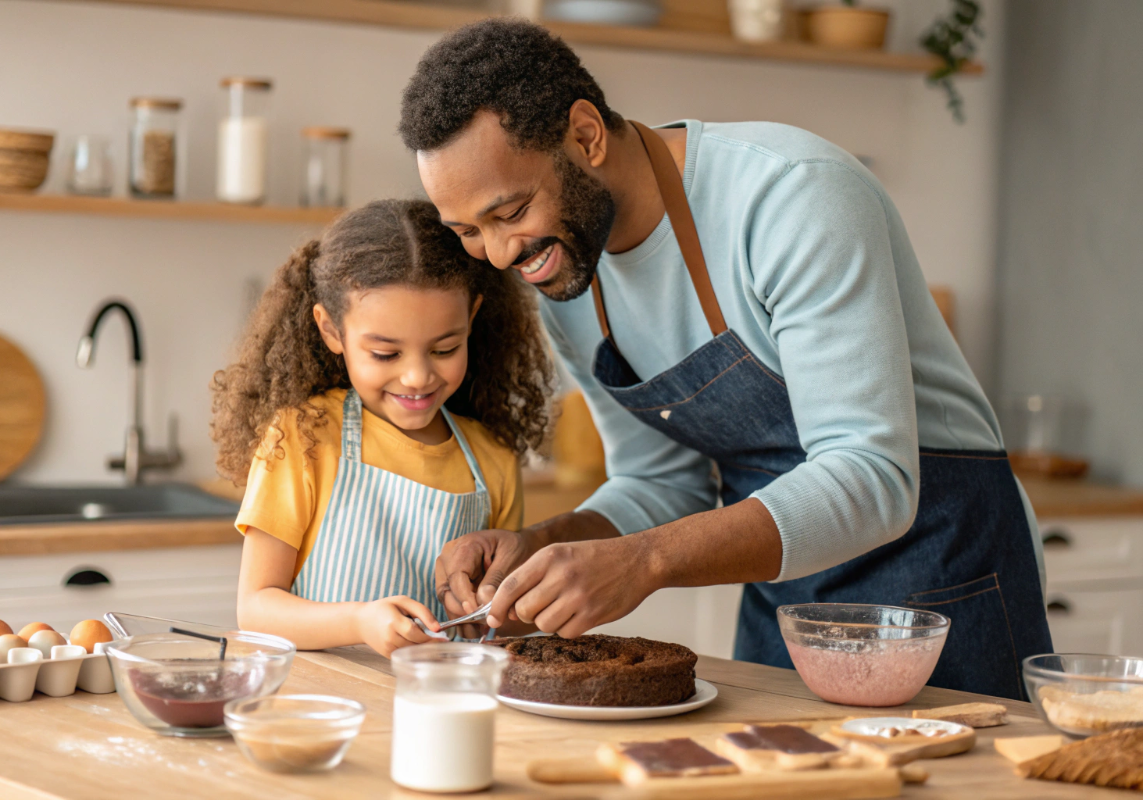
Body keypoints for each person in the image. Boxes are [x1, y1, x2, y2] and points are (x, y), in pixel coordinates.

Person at [402, 18, 1052, 699]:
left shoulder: (792, 195)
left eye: (511, 212)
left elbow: (874, 478)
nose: (499, 253)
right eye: (468, 231)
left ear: (586, 136)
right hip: (788, 599)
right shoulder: (567, 286)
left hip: (940, 575)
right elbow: (662, 485)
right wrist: (539, 547)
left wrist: (645, 561)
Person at [211, 199, 552, 657]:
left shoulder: (494, 460)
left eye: (444, 349)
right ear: (332, 331)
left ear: (471, 319)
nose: (417, 377)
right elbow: (256, 608)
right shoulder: (304, 437)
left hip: (438, 698)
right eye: (386, 354)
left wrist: (498, 612)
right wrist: (359, 621)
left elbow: (501, 618)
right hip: (322, 698)